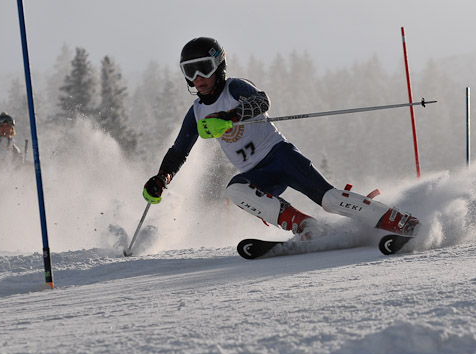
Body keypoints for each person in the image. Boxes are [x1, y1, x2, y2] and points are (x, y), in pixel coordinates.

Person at [142, 37, 418, 241]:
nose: (198, 77)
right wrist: (161, 179)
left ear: (219, 65)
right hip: (255, 174)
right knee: (235, 190)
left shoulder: (234, 87)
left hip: (280, 156)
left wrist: (231, 116)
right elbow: (179, 152)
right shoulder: (197, 113)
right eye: (190, 71)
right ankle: (307, 227)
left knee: (329, 199)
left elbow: (262, 102)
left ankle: (397, 220)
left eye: (203, 67)